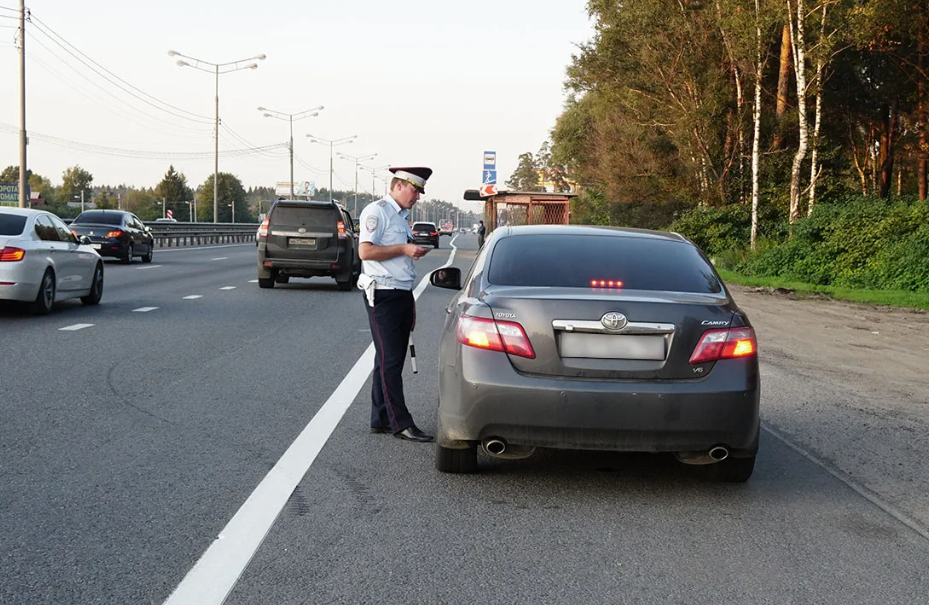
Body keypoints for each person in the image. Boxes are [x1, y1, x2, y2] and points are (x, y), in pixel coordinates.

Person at [357, 166, 434, 442]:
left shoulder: (400, 217)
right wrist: (403, 249)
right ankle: (400, 423)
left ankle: (380, 417)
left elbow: (401, 265)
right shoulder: (377, 211)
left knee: (386, 359)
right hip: (383, 295)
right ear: (399, 185)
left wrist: (409, 302)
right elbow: (365, 251)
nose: (418, 197)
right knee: (391, 361)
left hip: (400, 293)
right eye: (415, 190)